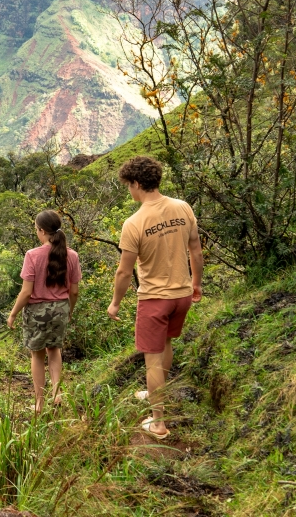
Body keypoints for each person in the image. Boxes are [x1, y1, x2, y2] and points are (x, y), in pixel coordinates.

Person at [107, 156, 203, 438]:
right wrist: (196, 283)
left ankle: (158, 422)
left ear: (137, 184)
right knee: (166, 343)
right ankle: (156, 391)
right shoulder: (182, 208)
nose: (129, 191)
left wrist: (115, 303)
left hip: (154, 299)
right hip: (182, 295)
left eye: (129, 186)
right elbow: (195, 250)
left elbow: (124, 273)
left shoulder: (134, 223)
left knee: (152, 358)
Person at [7, 210, 81, 413]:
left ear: (41, 231)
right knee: (55, 350)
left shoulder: (32, 255)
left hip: (37, 312)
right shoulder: (72, 256)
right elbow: (74, 291)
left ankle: (39, 403)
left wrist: (13, 314)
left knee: (37, 356)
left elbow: (26, 292)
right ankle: (57, 394)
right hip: (61, 309)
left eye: (36, 229)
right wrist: (68, 311)